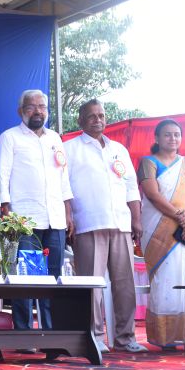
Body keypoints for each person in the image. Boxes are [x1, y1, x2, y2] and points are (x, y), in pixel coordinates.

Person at [62, 100, 146, 354]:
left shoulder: (118, 149)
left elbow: (131, 187)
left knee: (125, 284)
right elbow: (63, 186)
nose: (97, 120)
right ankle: (95, 336)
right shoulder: (70, 148)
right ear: (80, 120)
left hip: (120, 223)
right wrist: (69, 216)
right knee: (91, 284)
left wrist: (136, 219)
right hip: (89, 222)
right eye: (91, 116)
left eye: (101, 115)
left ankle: (125, 338)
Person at [0, 90, 74, 332]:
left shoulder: (55, 139)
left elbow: (63, 178)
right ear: (21, 111)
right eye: (31, 107)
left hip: (55, 219)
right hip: (24, 221)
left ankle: (51, 331)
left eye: (42, 107)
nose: (38, 111)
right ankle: (24, 332)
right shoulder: (10, 137)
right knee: (26, 277)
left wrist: (68, 211)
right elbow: (2, 176)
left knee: (53, 278)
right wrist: (5, 210)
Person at [137, 119, 185, 350]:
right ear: (157, 138)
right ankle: (166, 336)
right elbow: (153, 195)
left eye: (177, 134)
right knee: (165, 277)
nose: (172, 138)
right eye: (167, 134)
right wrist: (180, 217)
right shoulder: (148, 162)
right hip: (161, 227)